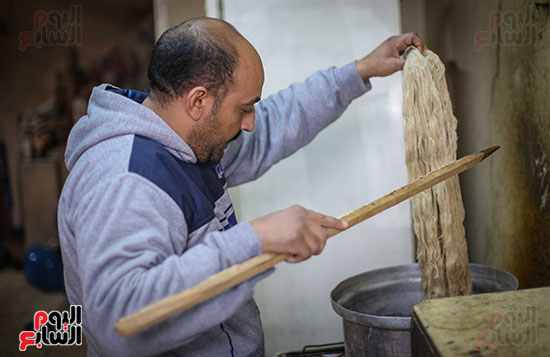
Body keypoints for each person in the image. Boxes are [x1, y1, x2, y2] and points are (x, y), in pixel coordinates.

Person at [58, 17, 426, 356]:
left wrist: (361, 70)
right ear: (198, 100)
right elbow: (120, 322)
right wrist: (256, 240)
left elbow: (273, 123)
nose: (250, 123)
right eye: (244, 108)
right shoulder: (126, 180)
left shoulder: (184, 135)